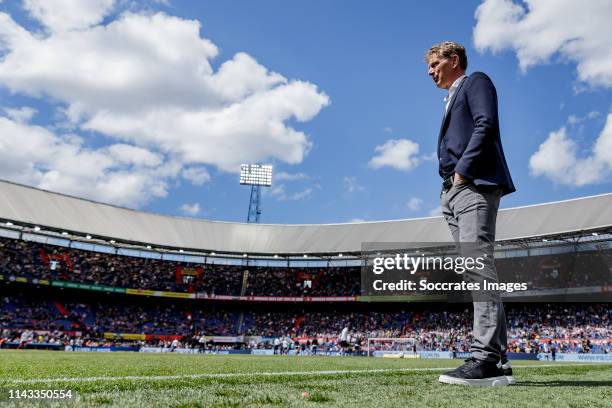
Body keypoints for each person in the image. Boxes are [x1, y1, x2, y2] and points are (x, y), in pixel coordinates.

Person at [425, 41, 516, 387]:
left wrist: (462, 172)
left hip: (473, 184)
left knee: (478, 268)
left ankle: (485, 358)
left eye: (435, 64)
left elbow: (485, 124)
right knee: (474, 268)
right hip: (454, 190)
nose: (431, 72)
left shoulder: (476, 80)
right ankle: (499, 357)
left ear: (454, 60)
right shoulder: (450, 98)